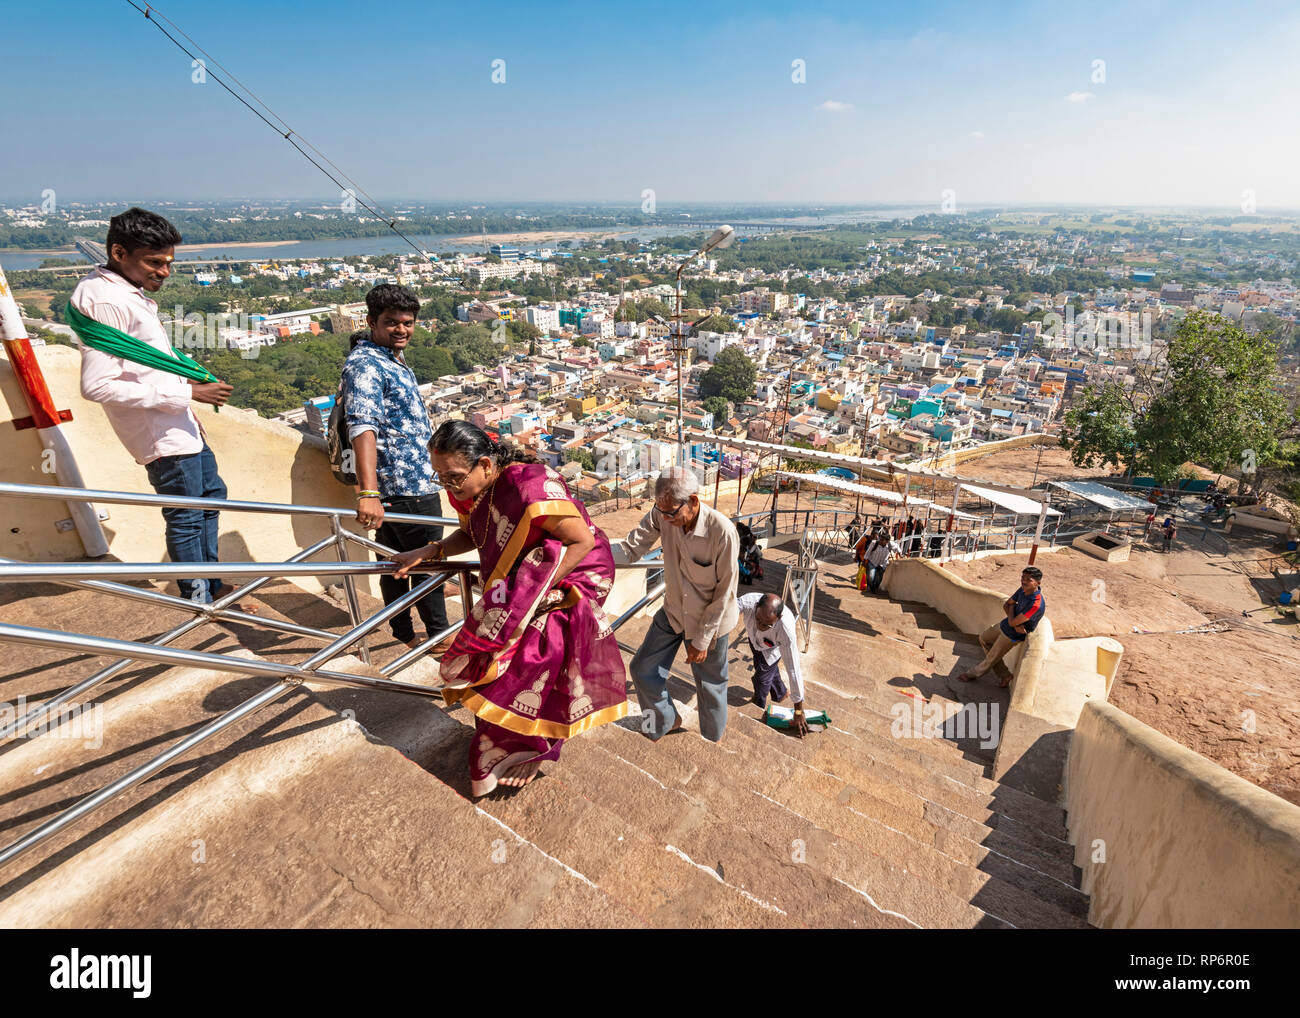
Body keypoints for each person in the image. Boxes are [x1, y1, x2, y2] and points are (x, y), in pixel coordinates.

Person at [390, 421, 628, 795]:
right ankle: (505, 743)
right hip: (524, 581)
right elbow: (472, 533)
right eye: (441, 478)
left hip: (575, 572)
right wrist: (430, 551)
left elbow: (580, 540)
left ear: (485, 464)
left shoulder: (526, 486)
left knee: (535, 656)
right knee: (494, 655)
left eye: (454, 477)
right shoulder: (473, 491)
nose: (450, 487)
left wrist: (538, 595)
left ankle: (535, 747)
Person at [71, 207, 246, 607]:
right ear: (119, 252)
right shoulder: (106, 301)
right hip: (161, 432)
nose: (164, 272)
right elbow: (96, 385)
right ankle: (198, 598)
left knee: (210, 499)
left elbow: (145, 359)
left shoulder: (120, 291)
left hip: (180, 423)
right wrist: (188, 394)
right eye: (154, 262)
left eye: (168, 262)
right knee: (185, 515)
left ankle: (211, 583)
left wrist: (186, 378)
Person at [342, 284, 449, 651]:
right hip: (405, 487)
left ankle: (402, 631)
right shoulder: (367, 365)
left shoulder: (386, 358)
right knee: (428, 564)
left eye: (408, 322)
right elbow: (363, 427)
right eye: (391, 323)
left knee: (395, 562)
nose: (401, 329)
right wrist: (368, 492)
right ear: (372, 321)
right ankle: (438, 637)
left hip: (404, 483)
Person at [617, 466, 740, 744]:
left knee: (710, 686)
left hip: (710, 622)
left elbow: (724, 594)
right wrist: (591, 553)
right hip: (672, 611)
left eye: (672, 512)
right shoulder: (663, 514)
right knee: (642, 669)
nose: (665, 519)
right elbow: (632, 547)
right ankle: (665, 720)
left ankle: (711, 740)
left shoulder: (722, 532)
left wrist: (702, 640)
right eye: (661, 511)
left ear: (694, 501)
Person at [956, 567, 1046, 686]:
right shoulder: (1023, 589)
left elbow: (1012, 618)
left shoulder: (1036, 604)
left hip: (1013, 635)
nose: (1023, 581)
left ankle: (971, 674)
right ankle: (1005, 675)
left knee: (991, 658)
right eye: (1022, 577)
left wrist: (1012, 611)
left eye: (1028, 579)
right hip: (1005, 625)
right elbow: (1006, 605)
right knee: (983, 639)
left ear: (1037, 583)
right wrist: (1013, 614)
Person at [735, 592, 809, 736]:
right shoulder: (748, 602)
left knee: (761, 679)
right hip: (754, 641)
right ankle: (781, 692)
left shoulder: (785, 631)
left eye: (766, 624)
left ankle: (758, 704)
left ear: (779, 618)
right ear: (756, 607)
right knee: (761, 666)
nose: (760, 626)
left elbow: (793, 669)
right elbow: (729, 609)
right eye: (758, 620)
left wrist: (798, 711)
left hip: (772, 649)